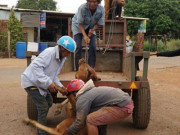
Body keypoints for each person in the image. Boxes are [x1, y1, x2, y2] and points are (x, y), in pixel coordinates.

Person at [21, 36, 76, 135]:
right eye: (67, 52)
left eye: (69, 53)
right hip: (31, 82)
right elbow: (35, 67)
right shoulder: (49, 53)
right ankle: (41, 131)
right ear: (61, 48)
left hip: (40, 83)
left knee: (49, 101)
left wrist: (61, 86)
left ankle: (40, 120)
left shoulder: (62, 58)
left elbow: (54, 76)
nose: (68, 55)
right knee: (43, 107)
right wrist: (48, 82)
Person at [64, 79, 134, 135]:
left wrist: (67, 132)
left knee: (91, 120)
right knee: (98, 117)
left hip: (122, 106)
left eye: (71, 94)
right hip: (126, 102)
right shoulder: (92, 91)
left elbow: (80, 122)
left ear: (75, 93)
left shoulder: (83, 98)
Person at [71, 0, 105, 70]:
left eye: (94, 2)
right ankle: (79, 69)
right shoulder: (82, 8)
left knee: (93, 46)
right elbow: (79, 24)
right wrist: (85, 36)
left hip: (90, 27)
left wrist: (92, 31)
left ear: (98, 2)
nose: (92, 4)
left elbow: (99, 23)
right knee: (78, 46)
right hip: (77, 26)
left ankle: (90, 68)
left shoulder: (101, 10)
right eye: (90, 1)